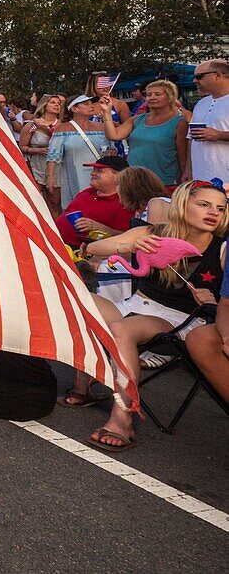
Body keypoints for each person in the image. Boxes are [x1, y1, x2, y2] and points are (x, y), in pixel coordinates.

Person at [69, 181, 227, 450]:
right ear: (181, 204)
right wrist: (131, 245)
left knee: (122, 329)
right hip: (137, 305)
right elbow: (93, 249)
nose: (213, 212)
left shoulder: (223, 250)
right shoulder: (153, 233)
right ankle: (85, 383)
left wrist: (213, 302)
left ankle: (122, 418)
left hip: (181, 320)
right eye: (203, 204)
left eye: (220, 209)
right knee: (74, 297)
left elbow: (226, 300)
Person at [99, 79, 188, 186]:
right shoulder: (136, 120)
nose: (152, 97)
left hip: (164, 181)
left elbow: (183, 156)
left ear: (170, 97)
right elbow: (114, 135)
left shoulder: (180, 123)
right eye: (148, 95)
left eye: (157, 94)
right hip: (134, 179)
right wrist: (107, 113)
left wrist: (185, 175)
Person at [46, 94, 111, 208]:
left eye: (91, 103)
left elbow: (112, 148)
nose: (91, 106)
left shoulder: (102, 126)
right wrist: (51, 178)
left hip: (102, 175)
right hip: (74, 175)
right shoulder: (62, 128)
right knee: (79, 205)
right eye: (86, 104)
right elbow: (53, 155)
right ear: (74, 109)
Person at [54, 156, 133, 248]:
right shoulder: (87, 192)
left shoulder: (124, 203)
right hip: (56, 242)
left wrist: (99, 227)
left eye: (99, 171)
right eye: (94, 170)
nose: (92, 173)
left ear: (118, 176)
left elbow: (126, 237)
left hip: (81, 251)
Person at [184, 59, 229, 182]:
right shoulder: (201, 103)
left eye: (199, 76)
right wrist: (188, 169)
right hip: (201, 176)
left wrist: (220, 135)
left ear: (217, 75)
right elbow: (191, 139)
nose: (195, 81)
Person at [19, 94, 63, 217]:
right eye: (53, 102)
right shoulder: (33, 125)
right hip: (36, 165)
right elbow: (22, 147)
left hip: (57, 167)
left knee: (55, 202)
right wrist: (37, 151)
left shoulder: (63, 125)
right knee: (36, 201)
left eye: (58, 103)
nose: (56, 105)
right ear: (44, 105)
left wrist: (48, 128)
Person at [86, 71, 131, 156]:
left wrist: (108, 120)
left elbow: (128, 129)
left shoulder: (120, 104)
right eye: (100, 84)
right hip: (92, 147)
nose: (105, 87)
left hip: (116, 148)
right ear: (93, 86)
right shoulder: (86, 105)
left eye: (107, 83)